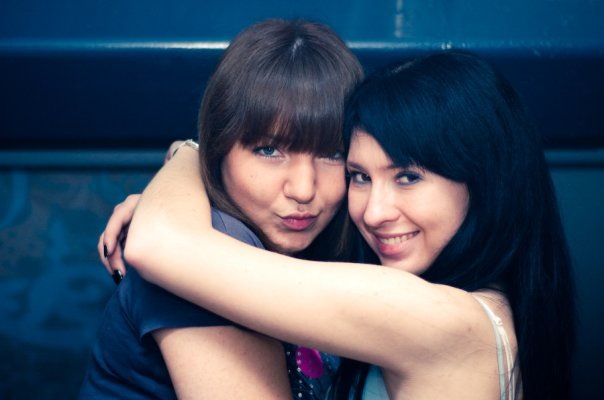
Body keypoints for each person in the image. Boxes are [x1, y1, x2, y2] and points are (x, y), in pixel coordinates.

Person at [117, 51, 576, 399]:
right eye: (359, 176)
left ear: (486, 181)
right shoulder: (489, 306)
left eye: (408, 177)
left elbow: (157, 243)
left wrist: (191, 154)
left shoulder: (438, 318)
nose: (374, 213)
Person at [82, 18, 363, 399]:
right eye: (269, 150)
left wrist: (184, 154)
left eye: (332, 153)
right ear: (219, 149)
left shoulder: (349, 233)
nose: (303, 189)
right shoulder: (200, 251)